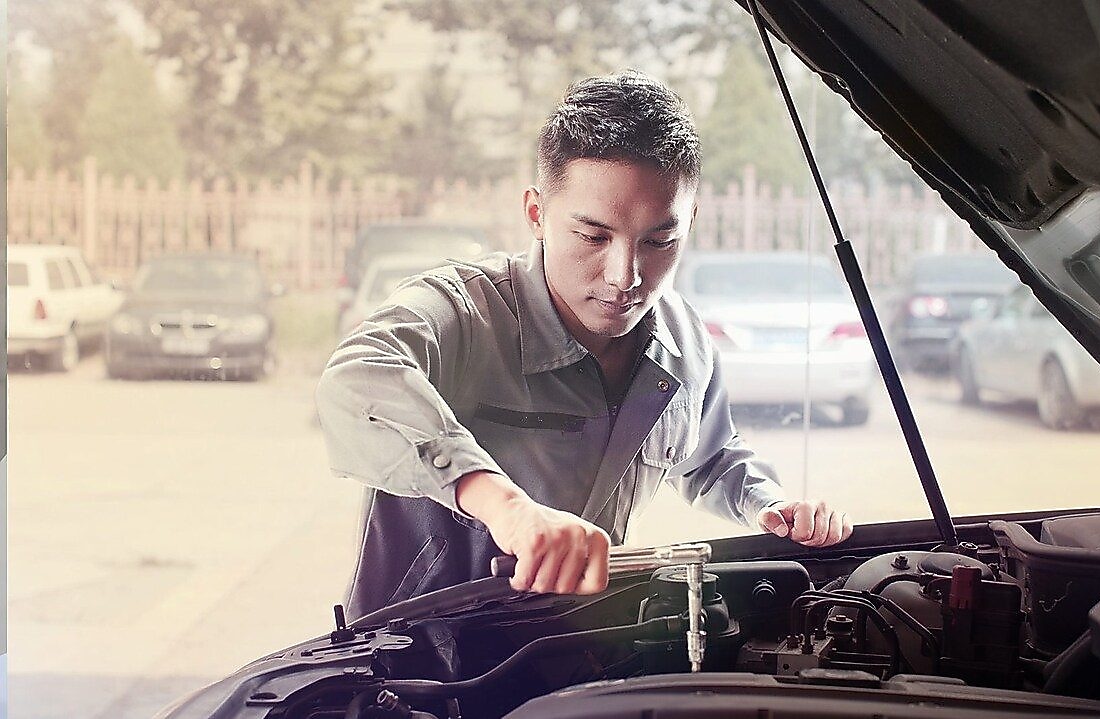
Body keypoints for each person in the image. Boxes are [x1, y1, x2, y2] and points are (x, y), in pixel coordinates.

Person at [316, 70, 853, 619]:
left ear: (690, 220)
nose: (627, 276)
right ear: (536, 213)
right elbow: (357, 380)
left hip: (573, 654)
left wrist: (774, 507)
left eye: (659, 241)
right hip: (416, 669)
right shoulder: (463, 312)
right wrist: (507, 508)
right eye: (594, 236)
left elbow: (711, 458)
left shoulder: (684, 342)